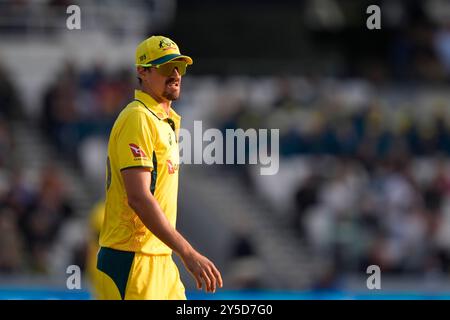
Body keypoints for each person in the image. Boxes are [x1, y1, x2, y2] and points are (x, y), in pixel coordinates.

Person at [96, 35, 223, 300]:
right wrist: (187, 252)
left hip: (159, 258)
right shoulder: (138, 117)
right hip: (131, 258)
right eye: (166, 67)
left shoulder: (162, 120)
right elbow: (139, 198)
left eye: (180, 67)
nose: (176, 74)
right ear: (142, 72)